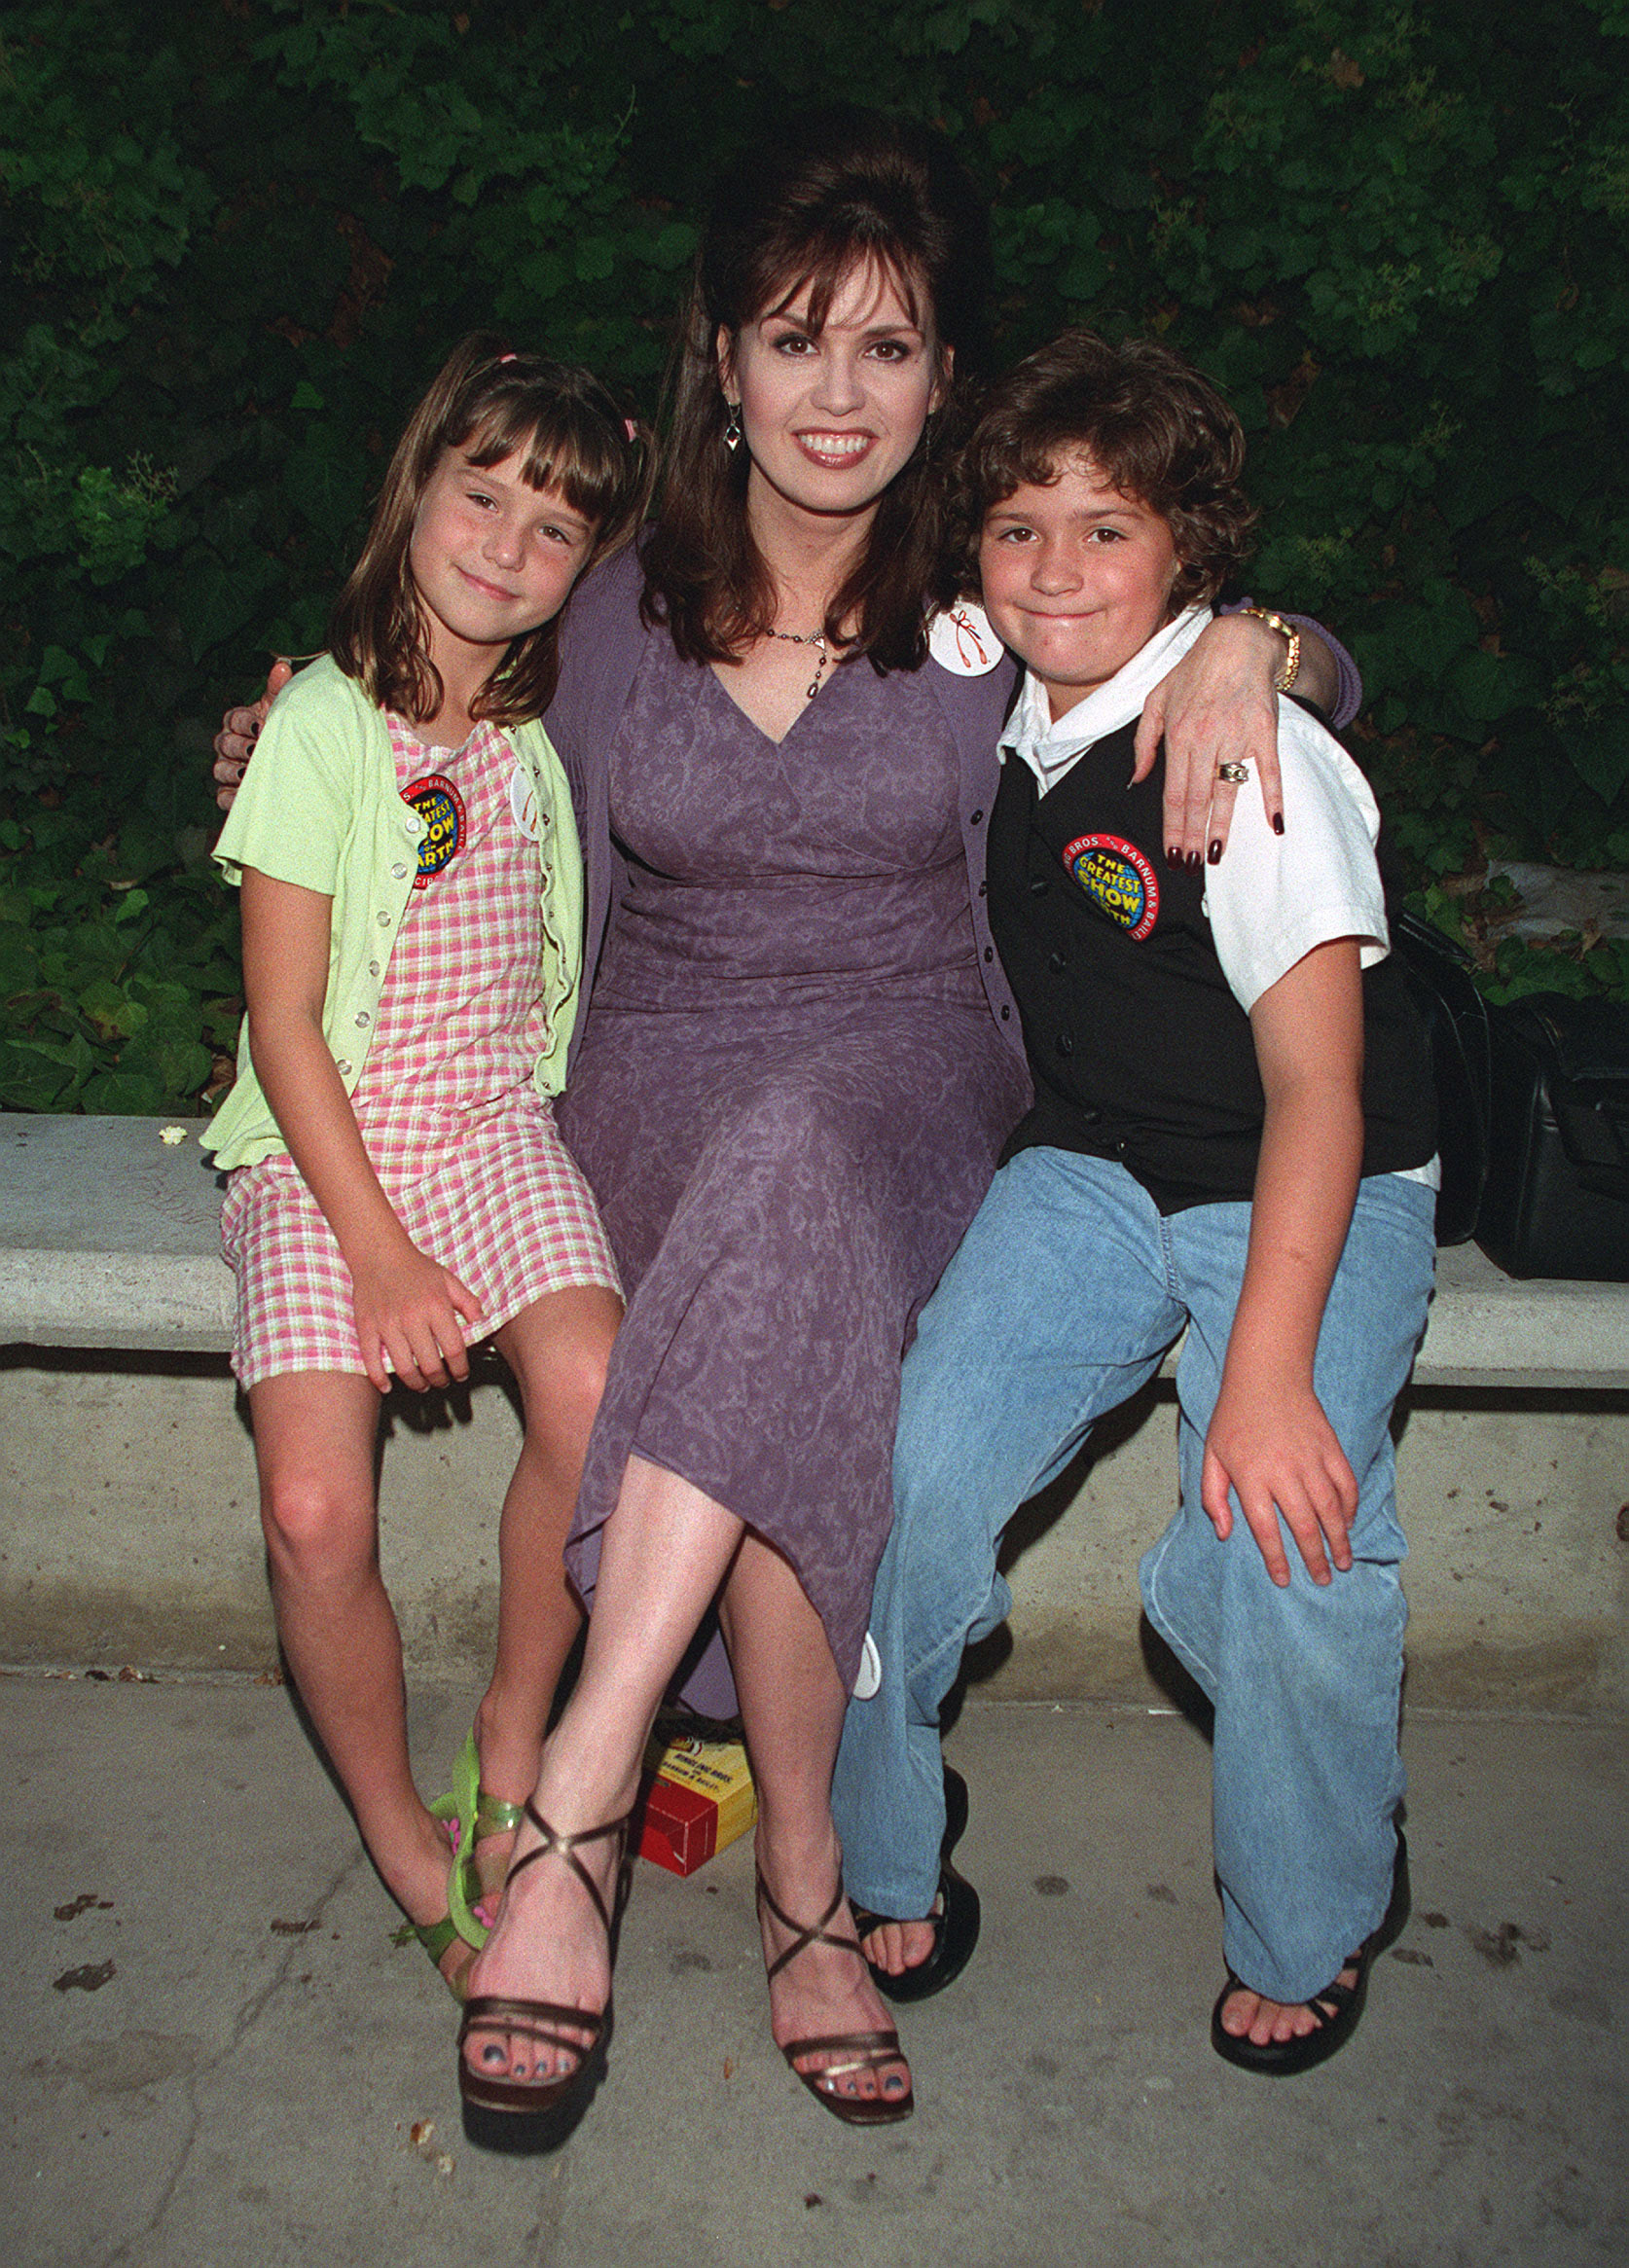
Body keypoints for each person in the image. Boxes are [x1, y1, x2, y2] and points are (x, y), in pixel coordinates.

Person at [213, 114, 1356, 2130]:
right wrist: (280, 718)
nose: (842, 394)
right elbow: (413, 718)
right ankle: (805, 1885)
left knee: (801, 1168)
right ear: (720, 357)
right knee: (758, 1214)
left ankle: (581, 1794)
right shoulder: (608, 604)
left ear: (944, 377)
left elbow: (1214, 631)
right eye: (795, 338)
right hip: (644, 1070)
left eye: (892, 348)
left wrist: (1277, 655)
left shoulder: (988, 600)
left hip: (916, 1060)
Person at [831, 328, 1437, 2075]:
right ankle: (888, 1838)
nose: (1056, 568)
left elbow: (1319, 1088)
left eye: (1109, 530)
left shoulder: (1238, 750)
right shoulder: (991, 655)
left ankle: (1317, 1899)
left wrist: (1261, 1377)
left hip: (1303, 1174)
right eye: (1019, 528)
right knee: (909, 1470)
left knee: (1282, 1529)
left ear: (1189, 549)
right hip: (1091, 1160)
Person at [203, 337, 651, 1998]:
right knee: (316, 1509)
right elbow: (285, 1025)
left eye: (552, 530)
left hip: (487, 1127)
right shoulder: (321, 723)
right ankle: (402, 1836)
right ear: (416, 493)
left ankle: (515, 1734)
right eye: (482, 499)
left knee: (599, 1389)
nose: (506, 549)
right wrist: (381, 1256)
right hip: (326, 1149)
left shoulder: (537, 735)